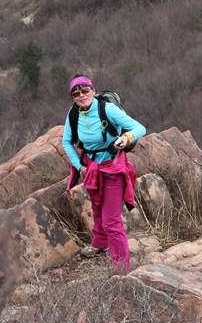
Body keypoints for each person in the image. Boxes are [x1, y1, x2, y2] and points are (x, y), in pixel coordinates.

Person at [62, 75, 146, 273]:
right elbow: (66, 141)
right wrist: (79, 166)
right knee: (97, 206)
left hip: (113, 166)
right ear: (72, 97)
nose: (81, 95)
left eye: (85, 90)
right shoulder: (73, 113)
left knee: (111, 221)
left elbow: (139, 128)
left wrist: (127, 137)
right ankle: (100, 243)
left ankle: (121, 269)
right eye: (76, 93)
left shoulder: (107, 109)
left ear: (93, 89)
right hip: (91, 168)